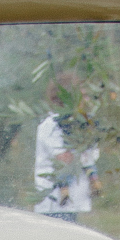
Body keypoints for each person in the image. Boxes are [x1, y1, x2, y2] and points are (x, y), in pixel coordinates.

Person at [33, 79, 99, 221]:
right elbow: (64, 158)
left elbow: (93, 154)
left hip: (75, 203)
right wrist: (84, 147)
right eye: (82, 95)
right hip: (55, 206)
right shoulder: (51, 125)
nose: (86, 99)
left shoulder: (81, 123)